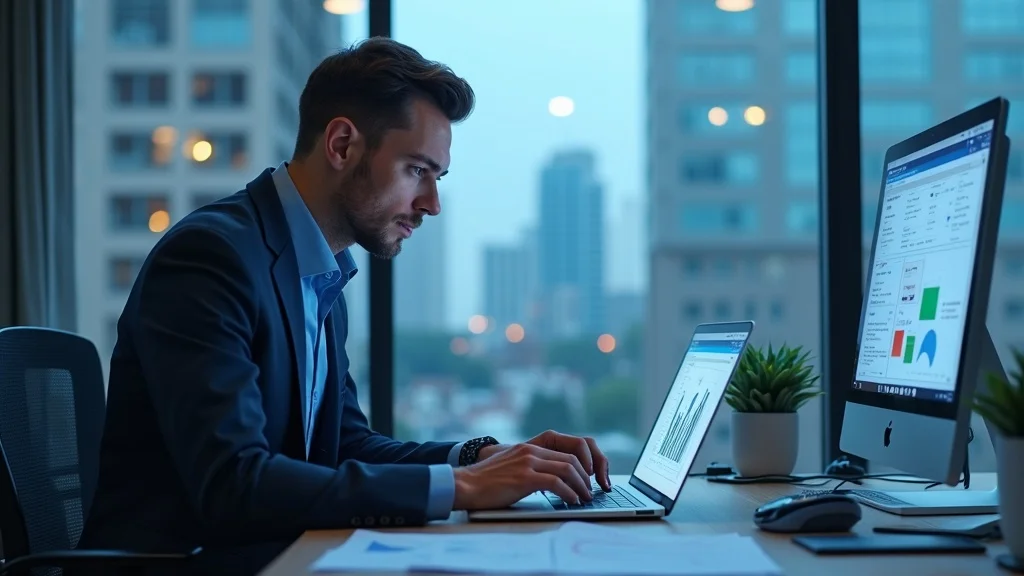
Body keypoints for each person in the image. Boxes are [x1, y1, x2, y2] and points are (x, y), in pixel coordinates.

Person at [77, 37, 612, 575]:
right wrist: (463, 487)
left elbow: (345, 445)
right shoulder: (211, 258)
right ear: (341, 145)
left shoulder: (321, 273)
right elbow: (234, 482)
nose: (431, 204)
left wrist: (479, 459)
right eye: (417, 170)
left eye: (437, 178)